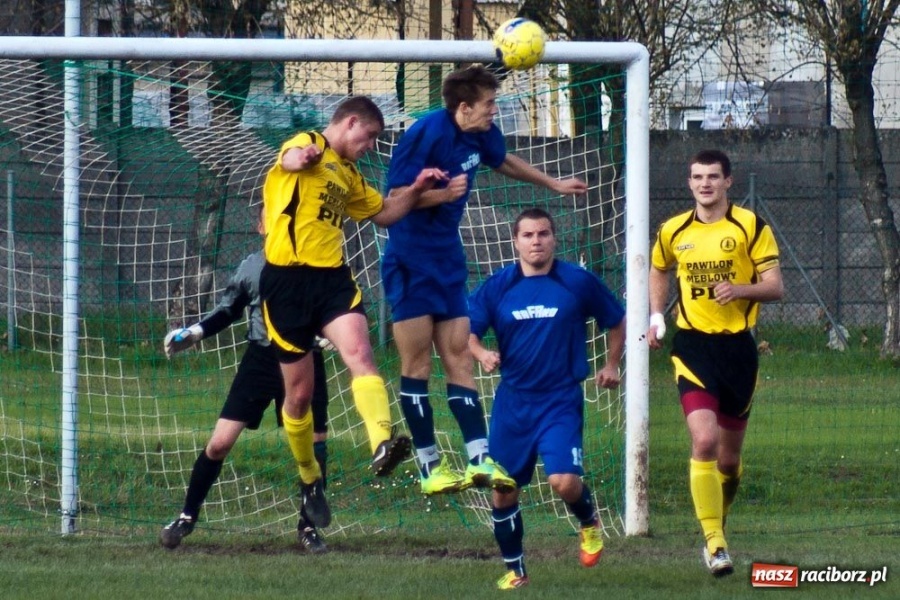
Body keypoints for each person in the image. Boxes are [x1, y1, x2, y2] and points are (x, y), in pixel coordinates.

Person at [383, 65, 588, 496]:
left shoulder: (480, 133)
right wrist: (441, 194)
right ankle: (428, 468)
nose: (495, 110)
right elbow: (390, 203)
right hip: (410, 260)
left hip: (447, 260)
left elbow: (502, 160)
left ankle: (479, 461)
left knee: (459, 356)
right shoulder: (425, 134)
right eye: (489, 104)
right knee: (417, 365)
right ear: (463, 108)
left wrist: (551, 183)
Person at [260, 96, 450, 529]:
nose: (369, 147)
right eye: (368, 138)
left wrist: (419, 190)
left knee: (361, 355)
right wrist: (300, 157)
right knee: (299, 397)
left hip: (331, 280)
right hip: (286, 282)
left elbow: (384, 213)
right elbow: (289, 158)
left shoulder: (348, 175)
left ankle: (382, 442)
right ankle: (310, 478)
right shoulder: (308, 144)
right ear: (349, 124)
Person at [468, 208, 625, 590]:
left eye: (543, 234)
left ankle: (588, 521)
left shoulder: (577, 281)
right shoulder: (498, 286)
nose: (536, 241)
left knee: (563, 482)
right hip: (513, 402)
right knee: (503, 489)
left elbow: (616, 320)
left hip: (560, 399)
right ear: (515, 241)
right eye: (528, 235)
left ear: (555, 238)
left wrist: (611, 364)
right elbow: (467, 332)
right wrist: (483, 354)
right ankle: (516, 570)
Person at [159, 207, 332, 553]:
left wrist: (330, 331)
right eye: (272, 216)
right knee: (220, 443)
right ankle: (186, 516)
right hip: (261, 360)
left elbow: (334, 309)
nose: (281, 222)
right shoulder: (253, 265)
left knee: (314, 443)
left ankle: (308, 527)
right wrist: (194, 332)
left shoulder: (316, 262)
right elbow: (228, 309)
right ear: (260, 226)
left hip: (303, 359)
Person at [647, 149, 783, 577]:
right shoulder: (673, 230)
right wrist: (656, 314)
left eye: (712, 177)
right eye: (697, 177)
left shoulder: (750, 226)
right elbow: (658, 267)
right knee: (702, 441)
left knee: (727, 463)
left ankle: (716, 524)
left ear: (728, 182)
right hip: (692, 348)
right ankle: (715, 542)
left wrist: (740, 289)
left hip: (738, 352)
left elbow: (776, 287)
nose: (704, 184)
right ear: (689, 183)